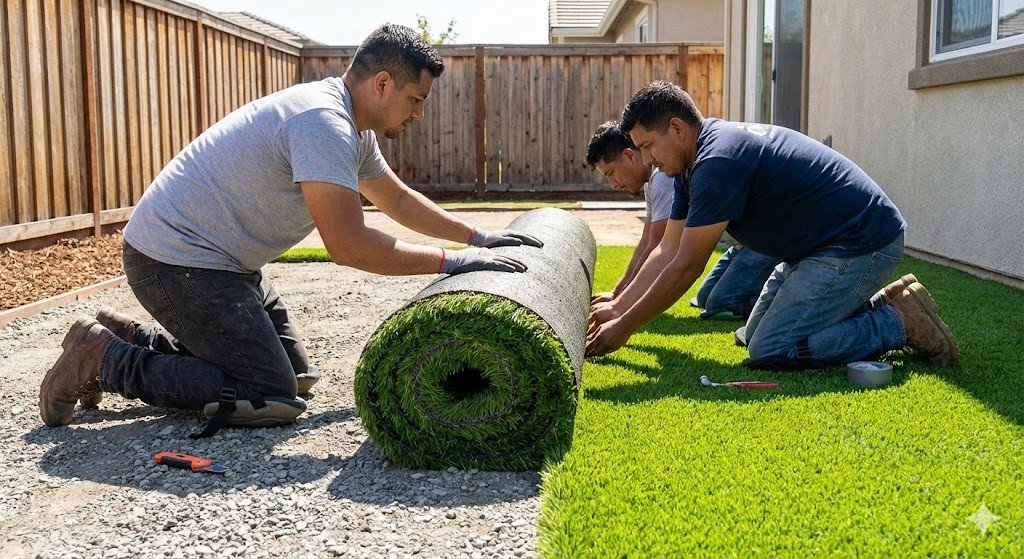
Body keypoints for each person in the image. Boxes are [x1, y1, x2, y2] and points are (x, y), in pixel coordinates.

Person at [39, 24, 542, 437]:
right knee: (268, 395)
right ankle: (102, 357)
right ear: (382, 84)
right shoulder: (323, 123)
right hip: (175, 261)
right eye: (416, 98)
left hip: (223, 265)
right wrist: (451, 262)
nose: (419, 113)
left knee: (295, 379)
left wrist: (478, 238)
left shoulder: (352, 127)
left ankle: (128, 335)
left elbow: (396, 200)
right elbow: (349, 246)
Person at [587, 81, 958, 370]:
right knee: (752, 336)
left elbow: (686, 266)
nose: (647, 159)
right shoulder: (690, 168)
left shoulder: (718, 161)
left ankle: (900, 323)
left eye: (649, 145)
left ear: (677, 128)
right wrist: (619, 308)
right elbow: (667, 249)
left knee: (772, 348)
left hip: (861, 242)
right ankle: (890, 301)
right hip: (816, 250)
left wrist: (625, 327)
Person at [585, 122, 674, 305]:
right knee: (706, 297)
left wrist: (620, 304)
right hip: (737, 246)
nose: (613, 184)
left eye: (611, 173)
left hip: (748, 244)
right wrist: (616, 293)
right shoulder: (652, 181)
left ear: (629, 155)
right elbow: (646, 242)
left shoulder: (662, 179)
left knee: (720, 302)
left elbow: (657, 247)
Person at [690, 244, 780, 321]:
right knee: (703, 298)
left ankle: (779, 300)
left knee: (720, 304)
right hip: (742, 244)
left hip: (767, 247)